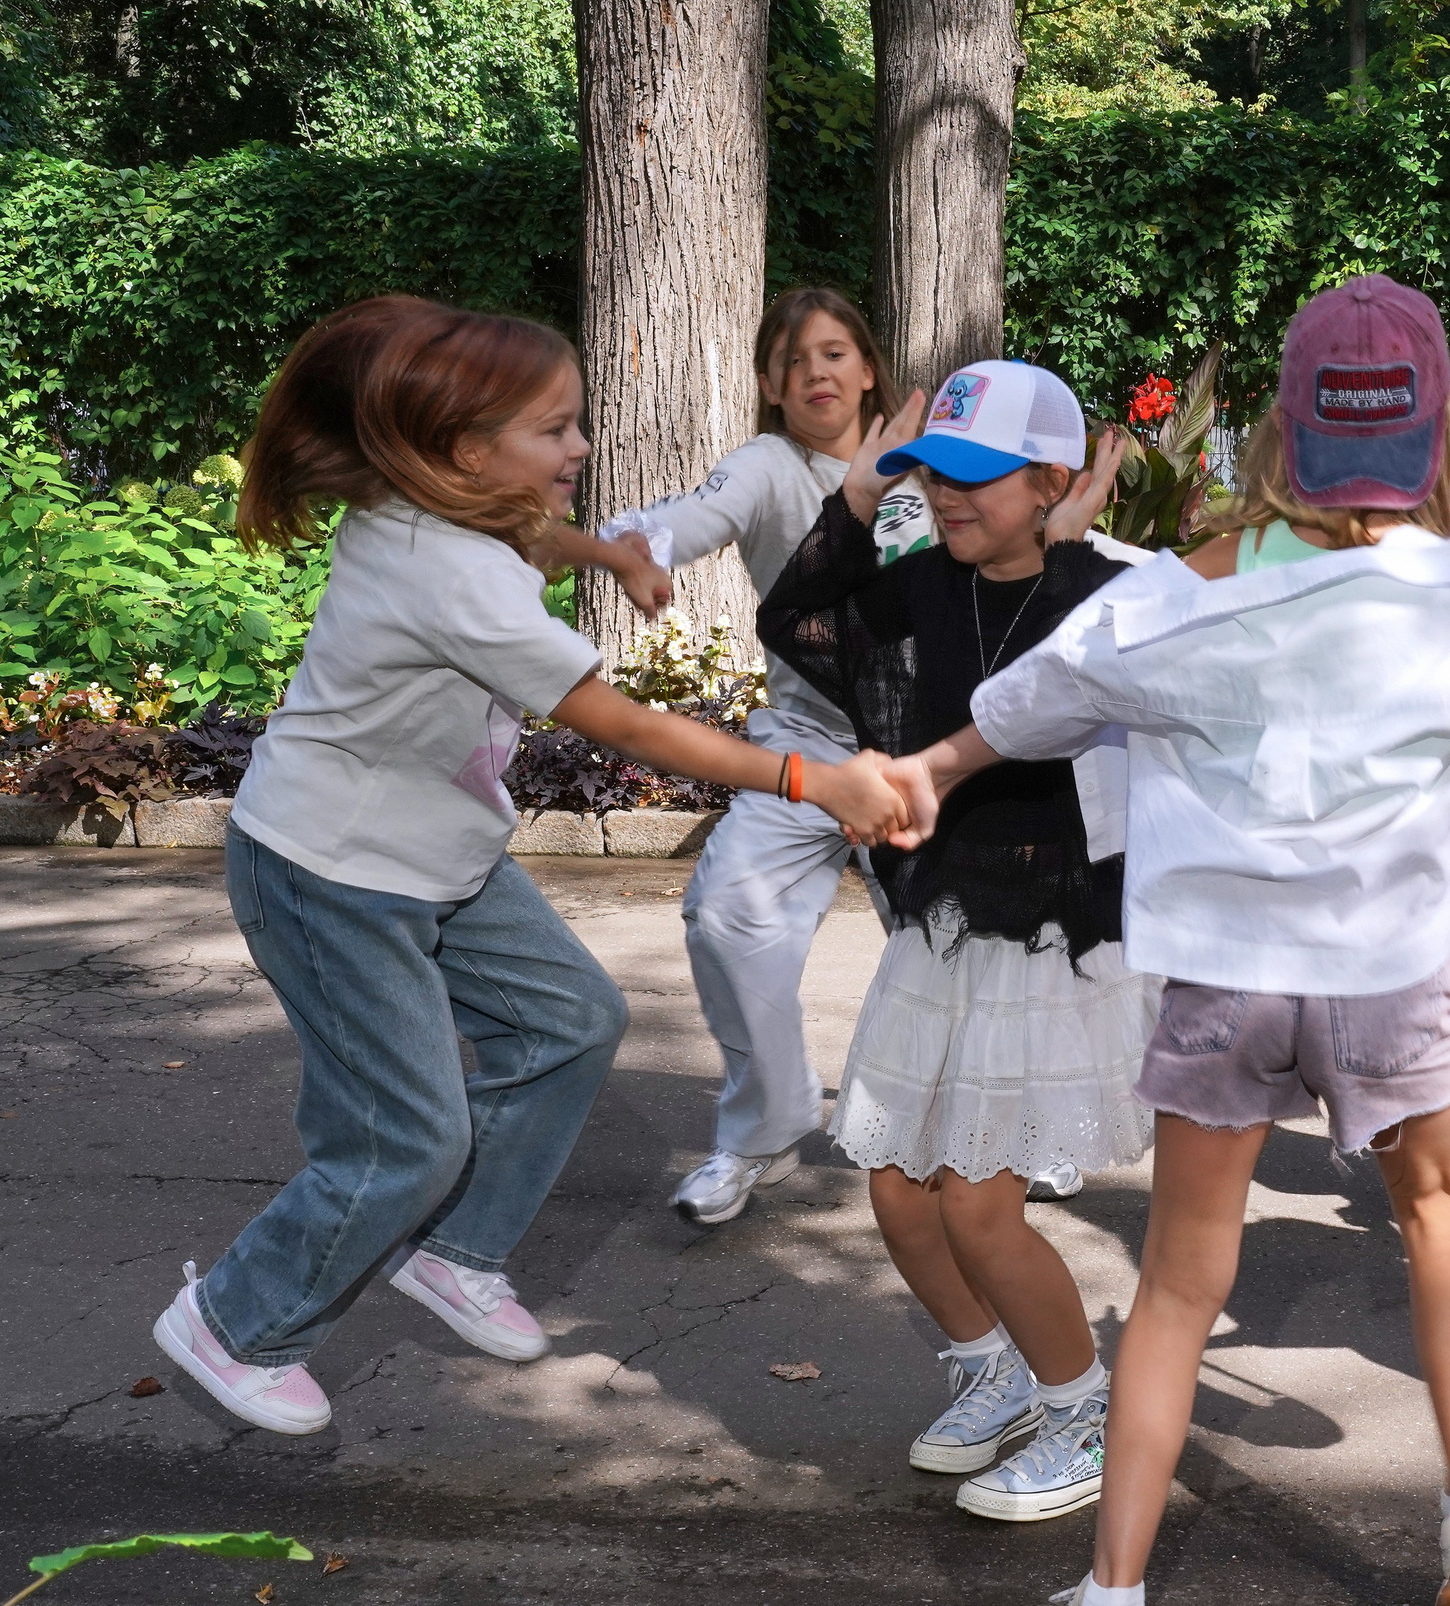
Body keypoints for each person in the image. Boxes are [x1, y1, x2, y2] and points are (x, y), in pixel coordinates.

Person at [882, 278, 1450, 1606]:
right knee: (1442, 1218)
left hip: (1220, 976)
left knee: (1174, 1285)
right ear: (1442, 426)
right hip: (1387, 975)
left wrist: (929, 772)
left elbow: (1020, 709)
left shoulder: (1173, 595)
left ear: (1283, 427)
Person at [149, 296, 910, 1436]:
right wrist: (811, 782)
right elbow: (626, 724)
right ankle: (234, 1320)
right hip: (331, 872)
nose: (581, 448)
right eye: (555, 430)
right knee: (407, 1135)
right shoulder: (446, 577)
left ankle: (455, 1253)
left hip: (435, 856)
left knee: (571, 1021)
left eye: (575, 424)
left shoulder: (438, 508)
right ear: (468, 453)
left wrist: (605, 549)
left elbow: (535, 536)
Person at [758, 359, 1152, 1525]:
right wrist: (858, 485)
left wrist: (1081, 540)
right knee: (895, 1187)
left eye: (979, 478)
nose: (949, 498)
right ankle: (994, 1374)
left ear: (1051, 478)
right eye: (934, 475)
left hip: (1051, 938)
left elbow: (1207, 624)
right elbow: (794, 619)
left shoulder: (1108, 592)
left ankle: (1084, 1410)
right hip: (937, 926)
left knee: (980, 1205)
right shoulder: (919, 583)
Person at [531, 289, 934, 1226]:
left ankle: (991, 1133)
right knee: (725, 913)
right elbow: (686, 518)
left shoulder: (928, 467)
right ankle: (761, 1128)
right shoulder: (765, 465)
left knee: (957, 949)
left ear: (868, 368)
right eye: (796, 363)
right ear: (770, 386)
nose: (819, 374)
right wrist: (637, 545)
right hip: (807, 746)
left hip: (925, 753)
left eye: (837, 354)